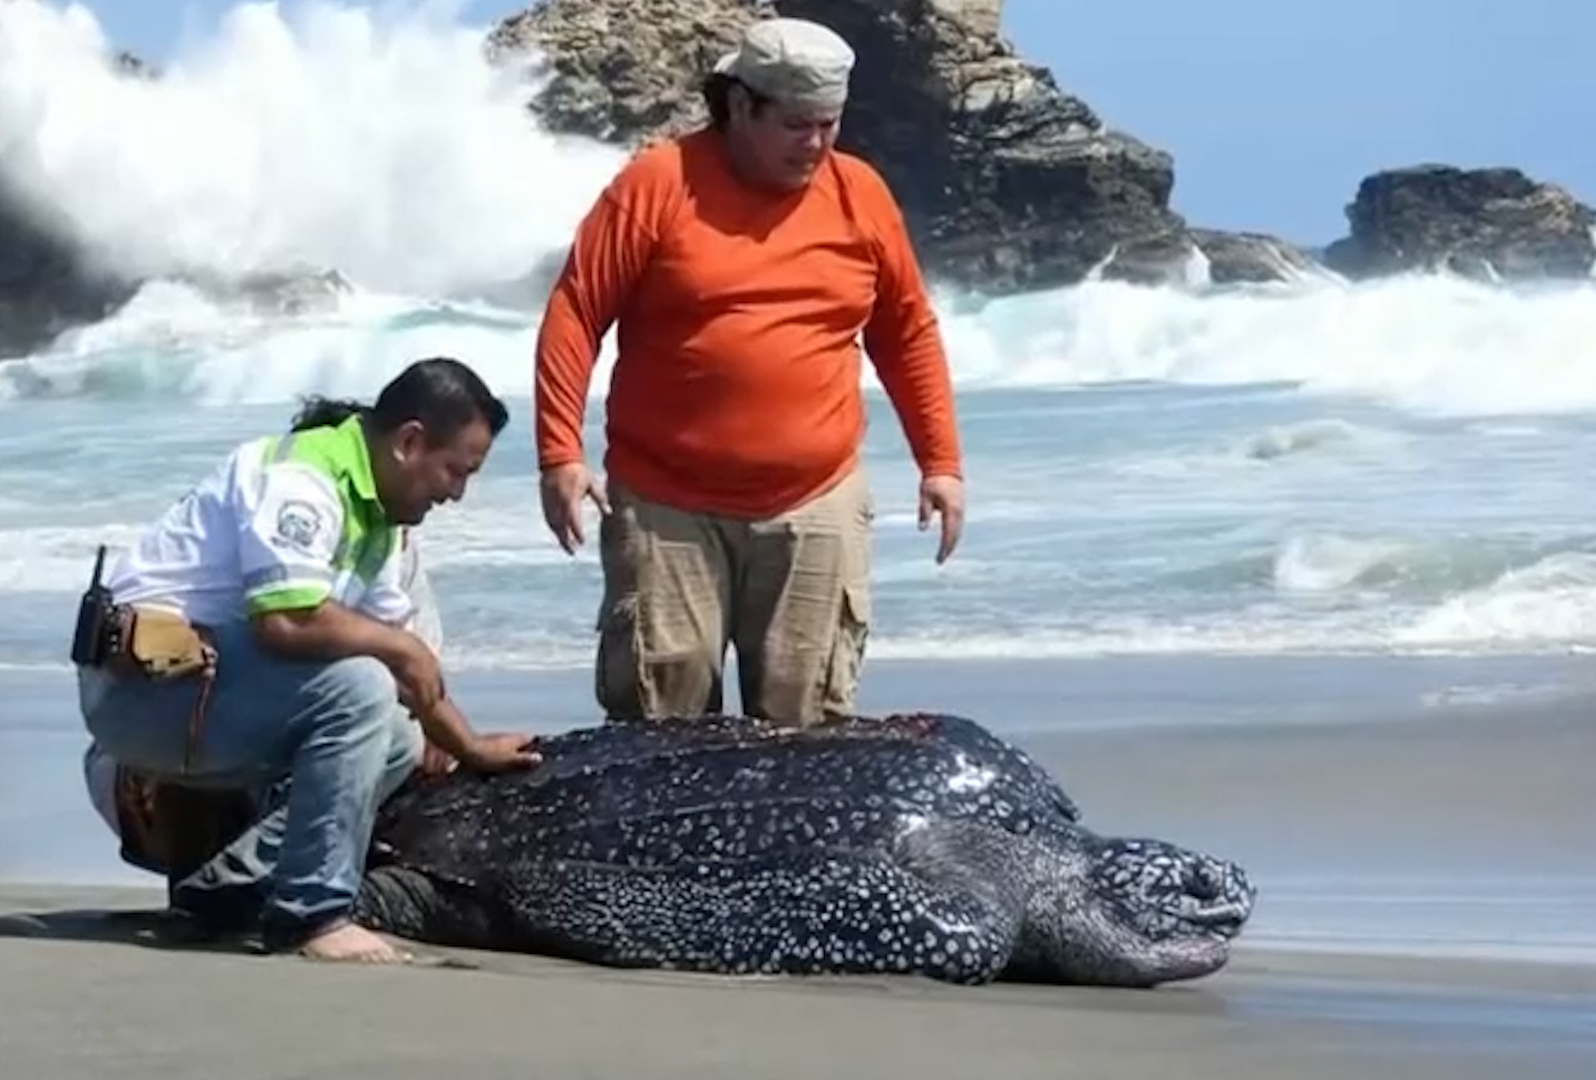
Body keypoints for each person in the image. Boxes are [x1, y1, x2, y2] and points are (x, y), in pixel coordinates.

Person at [531, 17, 967, 728]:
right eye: (798, 124)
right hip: (666, 506)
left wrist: (940, 461)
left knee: (809, 742)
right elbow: (576, 310)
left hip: (814, 502)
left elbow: (907, 331)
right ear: (740, 105)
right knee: (660, 738)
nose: (818, 144)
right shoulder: (658, 184)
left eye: (830, 124)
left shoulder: (860, 194)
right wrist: (559, 455)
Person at [73, 357, 541, 964]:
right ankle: (313, 914)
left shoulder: (377, 517)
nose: (456, 492)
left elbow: (408, 674)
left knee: (396, 737)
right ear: (410, 442)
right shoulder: (302, 481)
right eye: (456, 471)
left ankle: (228, 885)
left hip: (208, 694)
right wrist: (400, 646)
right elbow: (285, 622)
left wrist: (471, 747)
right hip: (139, 698)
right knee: (362, 687)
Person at [80, 511, 449, 936]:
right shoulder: (261, 529)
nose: (447, 494)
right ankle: (228, 888)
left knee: (398, 732)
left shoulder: (396, 550)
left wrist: (456, 741)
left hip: (245, 757)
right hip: (156, 761)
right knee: (359, 701)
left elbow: (421, 696)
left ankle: (236, 881)